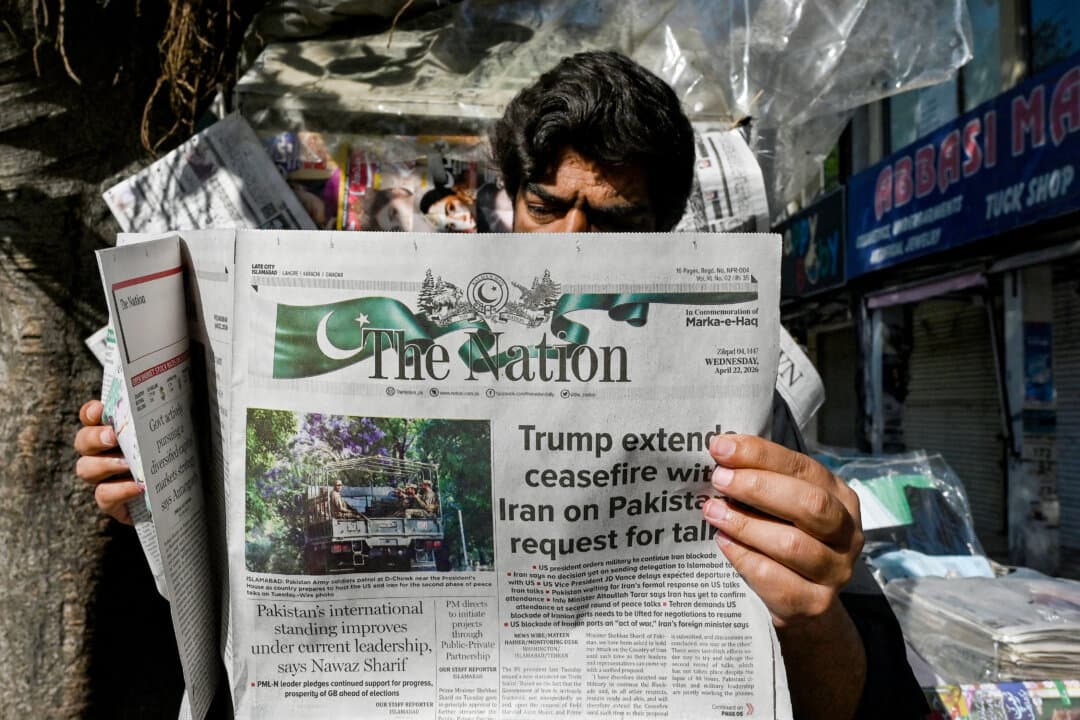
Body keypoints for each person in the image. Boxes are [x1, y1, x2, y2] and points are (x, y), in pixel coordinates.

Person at [75, 50, 925, 719]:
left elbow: (843, 695)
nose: (575, 242)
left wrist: (812, 613)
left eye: (616, 221)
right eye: (549, 207)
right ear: (511, 198)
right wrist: (165, 502)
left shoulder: (749, 401)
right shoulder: (437, 324)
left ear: (670, 229)